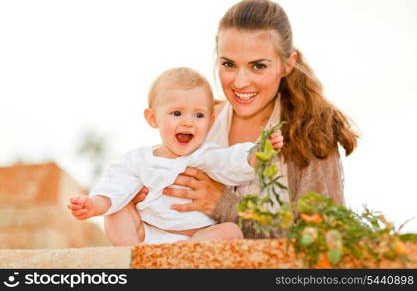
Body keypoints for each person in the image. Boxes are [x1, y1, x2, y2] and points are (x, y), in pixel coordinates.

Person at [131, 0, 358, 239]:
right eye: (228, 64)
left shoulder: (311, 134)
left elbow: (324, 241)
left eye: (258, 66)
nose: (239, 82)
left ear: (287, 64)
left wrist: (224, 206)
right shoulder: (199, 122)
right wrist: (141, 199)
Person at [67, 67, 284, 244]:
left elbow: (231, 162)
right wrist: (95, 203)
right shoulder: (138, 160)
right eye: (177, 113)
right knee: (116, 210)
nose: (188, 122)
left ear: (209, 122)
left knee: (230, 231)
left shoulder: (205, 155)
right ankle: (131, 256)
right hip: (148, 236)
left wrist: (257, 153)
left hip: (197, 238)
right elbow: (116, 185)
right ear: (153, 118)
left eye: (198, 115)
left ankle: (187, 260)